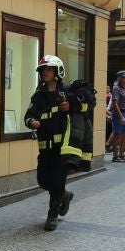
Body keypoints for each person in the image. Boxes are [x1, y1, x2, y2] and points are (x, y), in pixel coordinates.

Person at [25, 55, 90, 231]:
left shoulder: (68, 92)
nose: (45, 72)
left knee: (57, 181)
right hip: (46, 148)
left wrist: (72, 106)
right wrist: (32, 122)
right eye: (43, 70)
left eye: (49, 69)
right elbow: (29, 115)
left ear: (57, 71)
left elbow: (88, 106)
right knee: (43, 180)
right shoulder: (39, 95)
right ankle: (65, 196)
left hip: (63, 148)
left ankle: (52, 215)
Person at [109, 71, 125, 162]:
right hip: (119, 113)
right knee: (117, 134)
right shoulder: (116, 88)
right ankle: (115, 156)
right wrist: (121, 116)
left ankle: (122, 154)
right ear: (119, 78)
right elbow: (115, 103)